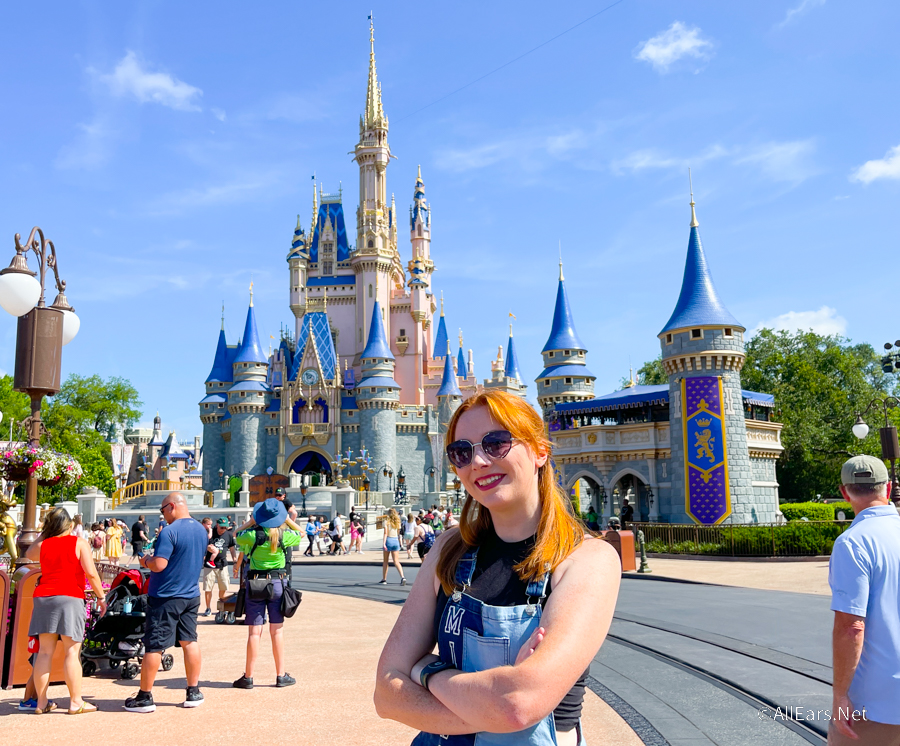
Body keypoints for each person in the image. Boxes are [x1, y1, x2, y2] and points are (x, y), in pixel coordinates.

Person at [374, 389, 620, 745]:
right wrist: (493, 701)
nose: (478, 462)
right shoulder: (447, 549)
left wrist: (426, 670)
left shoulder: (586, 560)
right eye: (462, 452)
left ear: (539, 451)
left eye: (496, 443)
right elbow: (386, 693)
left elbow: (517, 706)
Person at [828, 455, 900, 744]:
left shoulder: (853, 542)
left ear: (845, 493)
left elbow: (851, 627)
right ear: (889, 486)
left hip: (879, 702)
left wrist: (840, 695)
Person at [125, 492, 208, 713]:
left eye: (162, 510)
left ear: (171, 506)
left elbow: (159, 564)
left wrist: (145, 560)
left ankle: (145, 697)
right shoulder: (201, 529)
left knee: (155, 646)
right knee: (189, 641)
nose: (163, 515)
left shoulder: (169, 531)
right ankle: (193, 691)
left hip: (165, 596)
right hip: (190, 594)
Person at [25, 507, 108, 714]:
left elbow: (28, 553)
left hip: (44, 598)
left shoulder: (43, 544)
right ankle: (75, 702)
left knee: (44, 652)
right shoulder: (78, 543)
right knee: (72, 652)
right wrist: (101, 597)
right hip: (70, 597)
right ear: (69, 525)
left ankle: (42, 703)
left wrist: (46, 532)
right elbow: (91, 573)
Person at [232, 498, 302, 690]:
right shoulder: (284, 536)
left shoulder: (251, 536)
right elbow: (301, 533)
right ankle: (280, 675)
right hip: (278, 583)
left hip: (256, 584)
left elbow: (235, 534)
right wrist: (287, 520)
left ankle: (248, 677)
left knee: (255, 632)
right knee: (277, 630)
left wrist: (250, 522)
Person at [201, 518, 236, 616]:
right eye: (221, 527)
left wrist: (235, 560)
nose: (222, 529)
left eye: (225, 527)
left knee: (223, 587)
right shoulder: (210, 533)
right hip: (210, 565)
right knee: (208, 588)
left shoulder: (228, 534)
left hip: (222, 565)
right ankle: (208, 608)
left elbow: (232, 549)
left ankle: (221, 607)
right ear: (217, 525)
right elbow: (204, 544)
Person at [379, 509, 407, 586]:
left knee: (385, 561)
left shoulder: (386, 522)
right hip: (395, 540)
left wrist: (384, 543)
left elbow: (385, 533)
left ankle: (384, 579)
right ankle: (402, 577)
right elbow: (398, 533)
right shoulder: (397, 522)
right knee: (396, 561)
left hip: (389, 539)